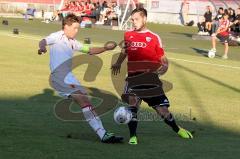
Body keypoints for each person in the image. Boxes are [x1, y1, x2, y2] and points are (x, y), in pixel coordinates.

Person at [111, 8, 193, 145]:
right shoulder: (128, 35)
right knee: (133, 107)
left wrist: (164, 68)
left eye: (136, 19)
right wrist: (118, 63)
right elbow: (125, 50)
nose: (133, 22)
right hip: (133, 78)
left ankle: (177, 129)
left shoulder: (154, 37)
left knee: (162, 110)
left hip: (150, 80)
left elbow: (163, 59)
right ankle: (133, 136)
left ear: (144, 19)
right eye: (132, 19)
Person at [37, 14, 123, 143]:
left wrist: (105, 48)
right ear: (66, 26)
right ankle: (103, 134)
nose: (77, 31)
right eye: (75, 28)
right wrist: (42, 47)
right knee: (83, 99)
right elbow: (43, 41)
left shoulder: (73, 42)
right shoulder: (57, 36)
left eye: (78, 28)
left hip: (69, 77)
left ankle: (103, 133)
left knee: (86, 101)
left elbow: (90, 50)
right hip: (60, 77)